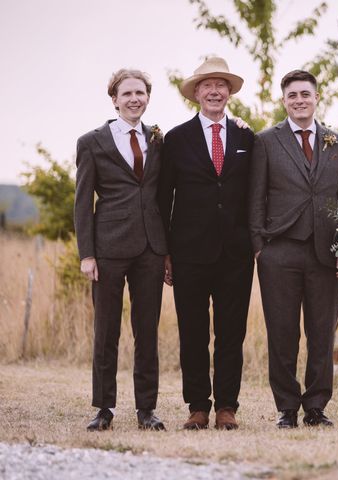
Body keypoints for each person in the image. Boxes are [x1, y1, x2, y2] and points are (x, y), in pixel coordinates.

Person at [248, 70, 338, 428]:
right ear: (284, 101)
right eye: (292, 95)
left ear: (316, 97)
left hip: (325, 252)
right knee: (282, 332)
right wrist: (259, 246)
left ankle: (316, 406)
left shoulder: (336, 142)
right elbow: (255, 197)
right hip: (279, 250)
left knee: (322, 333)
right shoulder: (265, 141)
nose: (299, 100)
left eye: (305, 94)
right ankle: (287, 408)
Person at [158, 57, 255, 430]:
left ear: (229, 92)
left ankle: (227, 407)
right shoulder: (176, 139)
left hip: (236, 253)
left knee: (232, 333)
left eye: (221, 85)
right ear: (196, 93)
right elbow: (163, 197)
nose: (215, 91)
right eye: (207, 85)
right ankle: (197, 406)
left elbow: (253, 194)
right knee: (193, 333)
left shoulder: (248, 136)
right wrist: (166, 250)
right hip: (189, 253)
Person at [75, 69, 167, 431]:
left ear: (147, 97)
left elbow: (164, 195)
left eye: (140, 93)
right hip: (108, 248)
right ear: (114, 99)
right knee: (106, 331)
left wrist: (167, 250)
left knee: (147, 331)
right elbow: (82, 202)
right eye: (127, 93)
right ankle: (104, 409)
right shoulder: (91, 142)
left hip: (151, 248)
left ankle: (147, 409)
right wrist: (87, 254)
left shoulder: (158, 139)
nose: (134, 99)